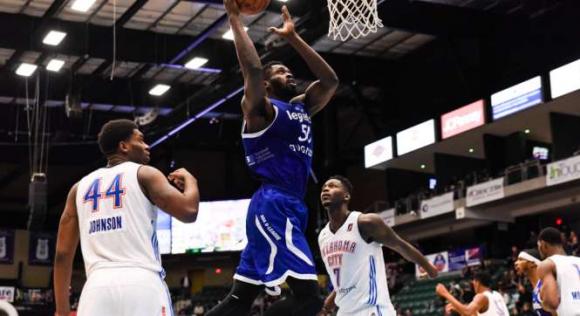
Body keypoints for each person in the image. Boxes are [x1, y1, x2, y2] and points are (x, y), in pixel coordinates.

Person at [206, 0, 339, 315]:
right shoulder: (260, 110)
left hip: (289, 205)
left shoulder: (301, 107)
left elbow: (331, 81)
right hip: (274, 204)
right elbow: (251, 68)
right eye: (281, 71)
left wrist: (294, 38)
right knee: (310, 299)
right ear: (265, 84)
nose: (289, 74)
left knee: (239, 301)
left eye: (290, 70)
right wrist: (234, 17)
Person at [53, 119, 200, 316]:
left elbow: (62, 254)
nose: (147, 146)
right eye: (140, 140)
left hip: (96, 288)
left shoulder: (78, 188)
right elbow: (189, 211)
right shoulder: (145, 174)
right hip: (142, 282)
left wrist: (62, 311)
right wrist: (192, 182)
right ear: (123, 146)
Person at [318, 176, 438, 315]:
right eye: (323, 188)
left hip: (372, 310)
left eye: (332, 186)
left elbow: (400, 245)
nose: (326, 189)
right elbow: (344, 282)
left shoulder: (365, 223)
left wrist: (428, 266)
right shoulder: (323, 236)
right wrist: (327, 306)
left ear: (346, 196)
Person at [536, 227, 580, 315]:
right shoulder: (578, 260)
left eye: (538, 246)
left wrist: (542, 301)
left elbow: (551, 303)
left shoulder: (547, 264)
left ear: (543, 244)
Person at [436, 271, 509, 316]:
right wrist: (457, 308)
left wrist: (445, 293)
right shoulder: (497, 294)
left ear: (477, 282)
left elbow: (467, 311)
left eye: (473, 281)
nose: (473, 284)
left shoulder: (481, 296)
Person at [514, 248, 552, 316]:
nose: (516, 263)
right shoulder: (535, 288)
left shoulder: (544, 286)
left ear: (532, 264)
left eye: (520, 260)